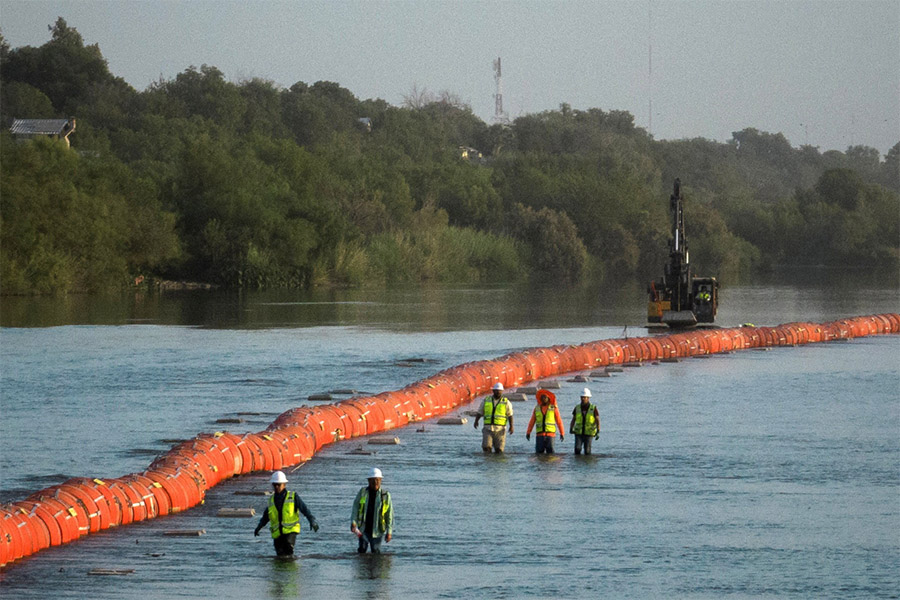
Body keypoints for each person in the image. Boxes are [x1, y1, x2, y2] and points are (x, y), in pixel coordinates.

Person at [254, 470, 319, 556]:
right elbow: (266, 517)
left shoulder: (293, 496)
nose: (276, 487)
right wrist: (259, 527)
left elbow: (305, 509)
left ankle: (290, 569)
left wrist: (312, 520)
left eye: (279, 485)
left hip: (290, 531)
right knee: (280, 555)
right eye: (274, 485)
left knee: (288, 551)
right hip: (277, 533)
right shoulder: (271, 500)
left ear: (284, 484)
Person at [351, 467, 394, 554]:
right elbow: (355, 507)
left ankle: (375, 567)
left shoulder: (385, 495)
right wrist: (353, 522)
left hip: (377, 530)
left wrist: (389, 532)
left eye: (377, 480)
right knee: (362, 550)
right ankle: (363, 567)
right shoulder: (362, 493)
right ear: (369, 481)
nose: (375, 482)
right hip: (363, 528)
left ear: (380, 480)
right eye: (373, 480)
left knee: (376, 552)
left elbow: (389, 515)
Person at [472, 382, 514, 453]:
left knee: (499, 450)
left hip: (500, 429)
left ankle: (497, 463)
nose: (498, 392)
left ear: (502, 391)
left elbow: (510, 415)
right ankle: (488, 463)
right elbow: (480, 412)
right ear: (493, 391)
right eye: (496, 390)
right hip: (488, 428)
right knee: (486, 448)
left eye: (499, 390)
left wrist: (511, 426)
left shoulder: (506, 402)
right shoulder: (486, 400)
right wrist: (476, 421)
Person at [526, 389, 564, 454]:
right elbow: (532, 421)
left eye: (545, 397)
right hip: (539, 435)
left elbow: (559, 421)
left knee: (550, 454)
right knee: (539, 454)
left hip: (550, 435)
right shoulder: (536, 409)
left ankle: (549, 464)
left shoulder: (554, 408)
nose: (543, 399)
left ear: (548, 398)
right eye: (542, 397)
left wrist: (562, 433)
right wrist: (528, 432)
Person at [569, 387, 600, 455]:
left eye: (584, 397)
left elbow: (597, 419)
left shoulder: (593, 408)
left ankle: (587, 463)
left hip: (589, 433)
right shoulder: (577, 408)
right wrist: (571, 428)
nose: (583, 399)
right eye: (582, 397)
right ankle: (577, 464)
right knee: (577, 449)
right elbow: (573, 419)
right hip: (578, 432)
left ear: (588, 398)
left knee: (587, 451)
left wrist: (598, 430)